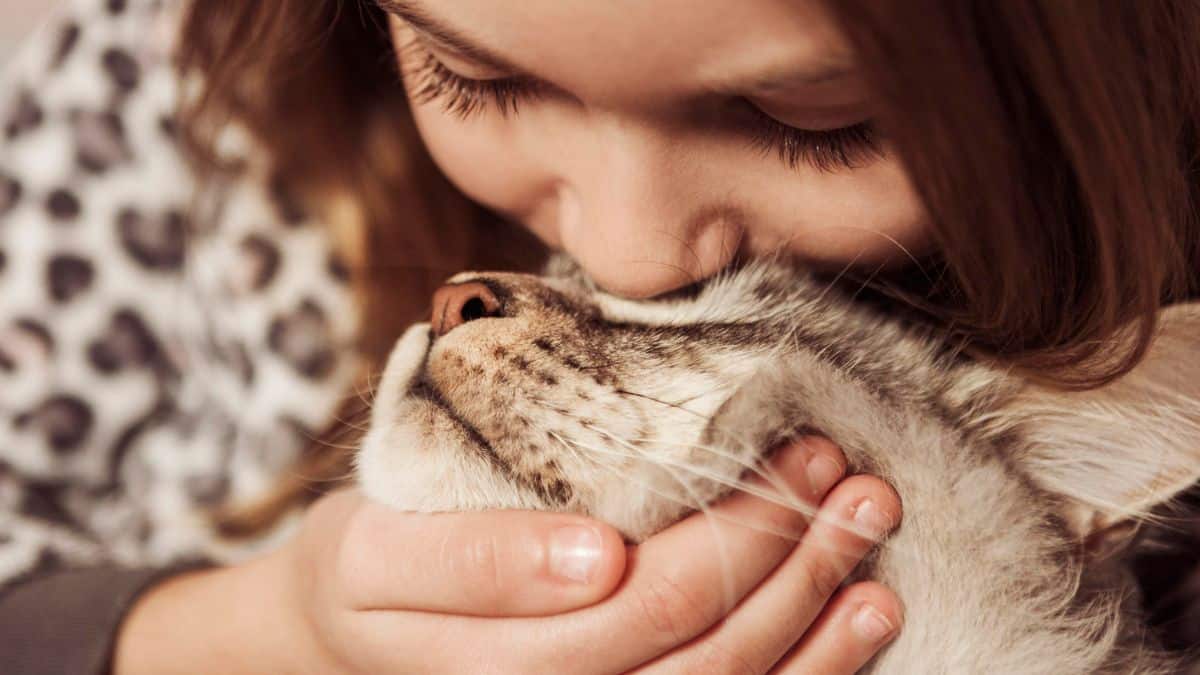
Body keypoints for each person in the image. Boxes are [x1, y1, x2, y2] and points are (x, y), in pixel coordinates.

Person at [0, 0, 1195, 673]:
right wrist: (275, 634)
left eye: (817, 118)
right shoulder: (148, 98)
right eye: (469, 74)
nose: (624, 254)